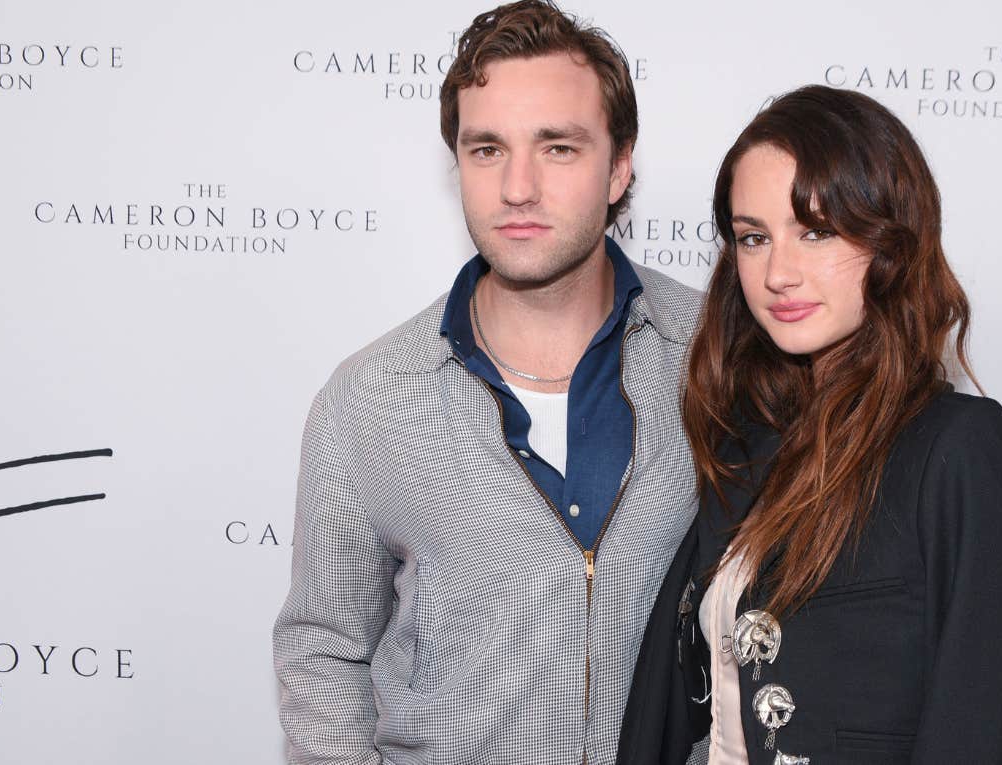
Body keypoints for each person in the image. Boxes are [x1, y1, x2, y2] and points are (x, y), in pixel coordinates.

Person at [272, 2, 701, 762]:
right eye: (487, 149)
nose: (517, 187)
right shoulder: (369, 397)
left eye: (558, 148)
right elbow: (322, 652)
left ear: (619, 168)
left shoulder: (717, 357)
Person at [618, 85, 1002, 764]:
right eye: (753, 238)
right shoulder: (745, 444)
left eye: (817, 231)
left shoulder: (952, 449)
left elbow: (995, 723)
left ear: (890, 238)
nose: (778, 272)